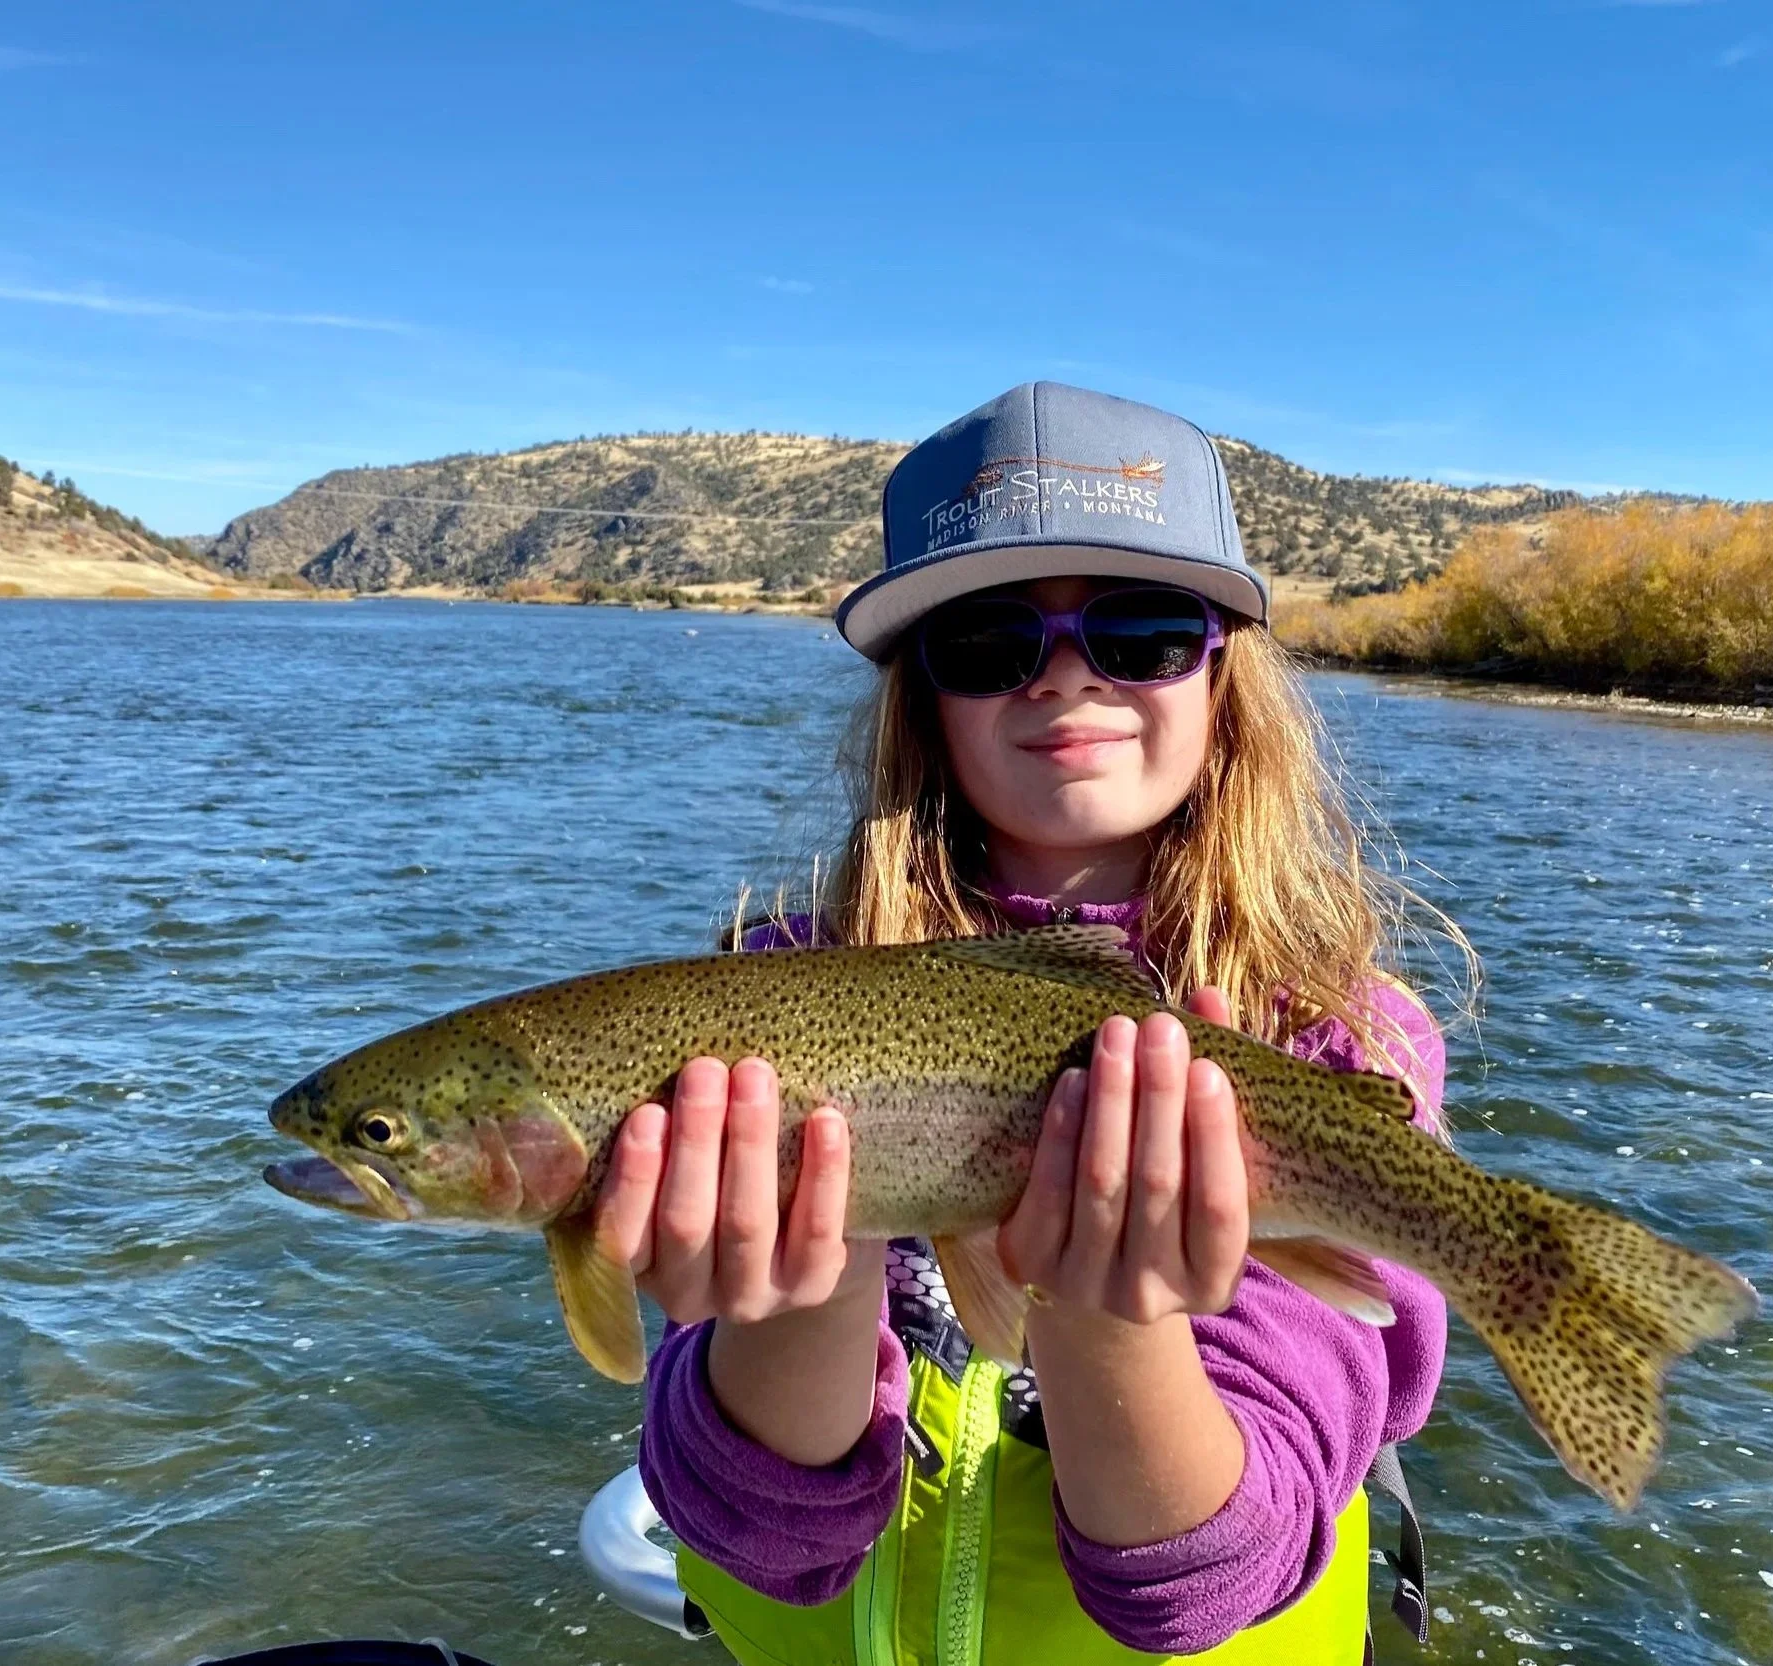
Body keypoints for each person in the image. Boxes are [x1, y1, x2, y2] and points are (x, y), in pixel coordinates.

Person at [593, 381, 1464, 1663]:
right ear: (921, 699)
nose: (1065, 678)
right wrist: (802, 1287)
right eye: (991, 644)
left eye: (1144, 632)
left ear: (1228, 671)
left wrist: (1111, 1315)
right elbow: (761, 1547)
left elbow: (1206, 1592)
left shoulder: (1331, 1035)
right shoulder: (766, 1005)